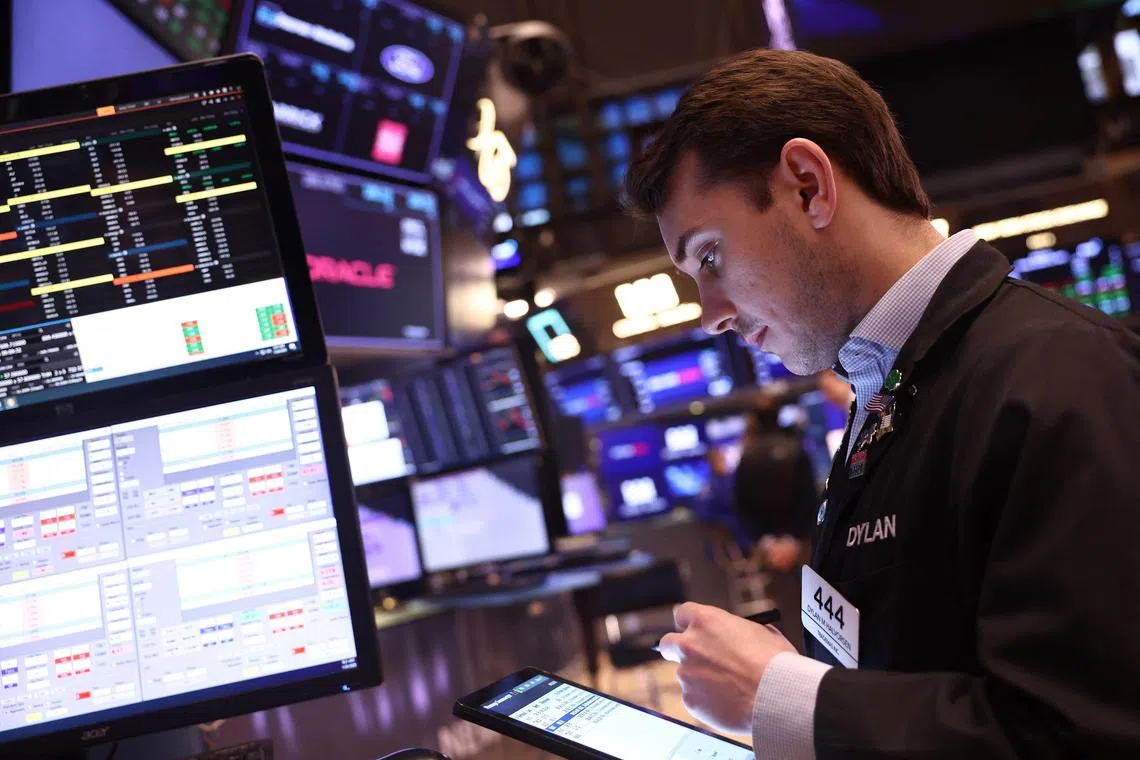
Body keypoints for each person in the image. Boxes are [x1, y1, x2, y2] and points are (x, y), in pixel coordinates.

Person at [623, 47, 1140, 758]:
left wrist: (779, 694)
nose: (710, 314)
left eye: (709, 256)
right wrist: (809, 678)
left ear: (808, 186)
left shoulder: (1056, 374)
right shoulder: (892, 391)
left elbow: (1084, 735)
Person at [731, 401, 818, 652]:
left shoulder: (747, 456)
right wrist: (794, 538)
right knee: (817, 605)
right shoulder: (797, 449)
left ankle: (794, 664)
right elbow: (809, 497)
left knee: (784, 611)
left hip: (768, 551)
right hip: (802, 547)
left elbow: (741, 505)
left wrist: (766, 541)